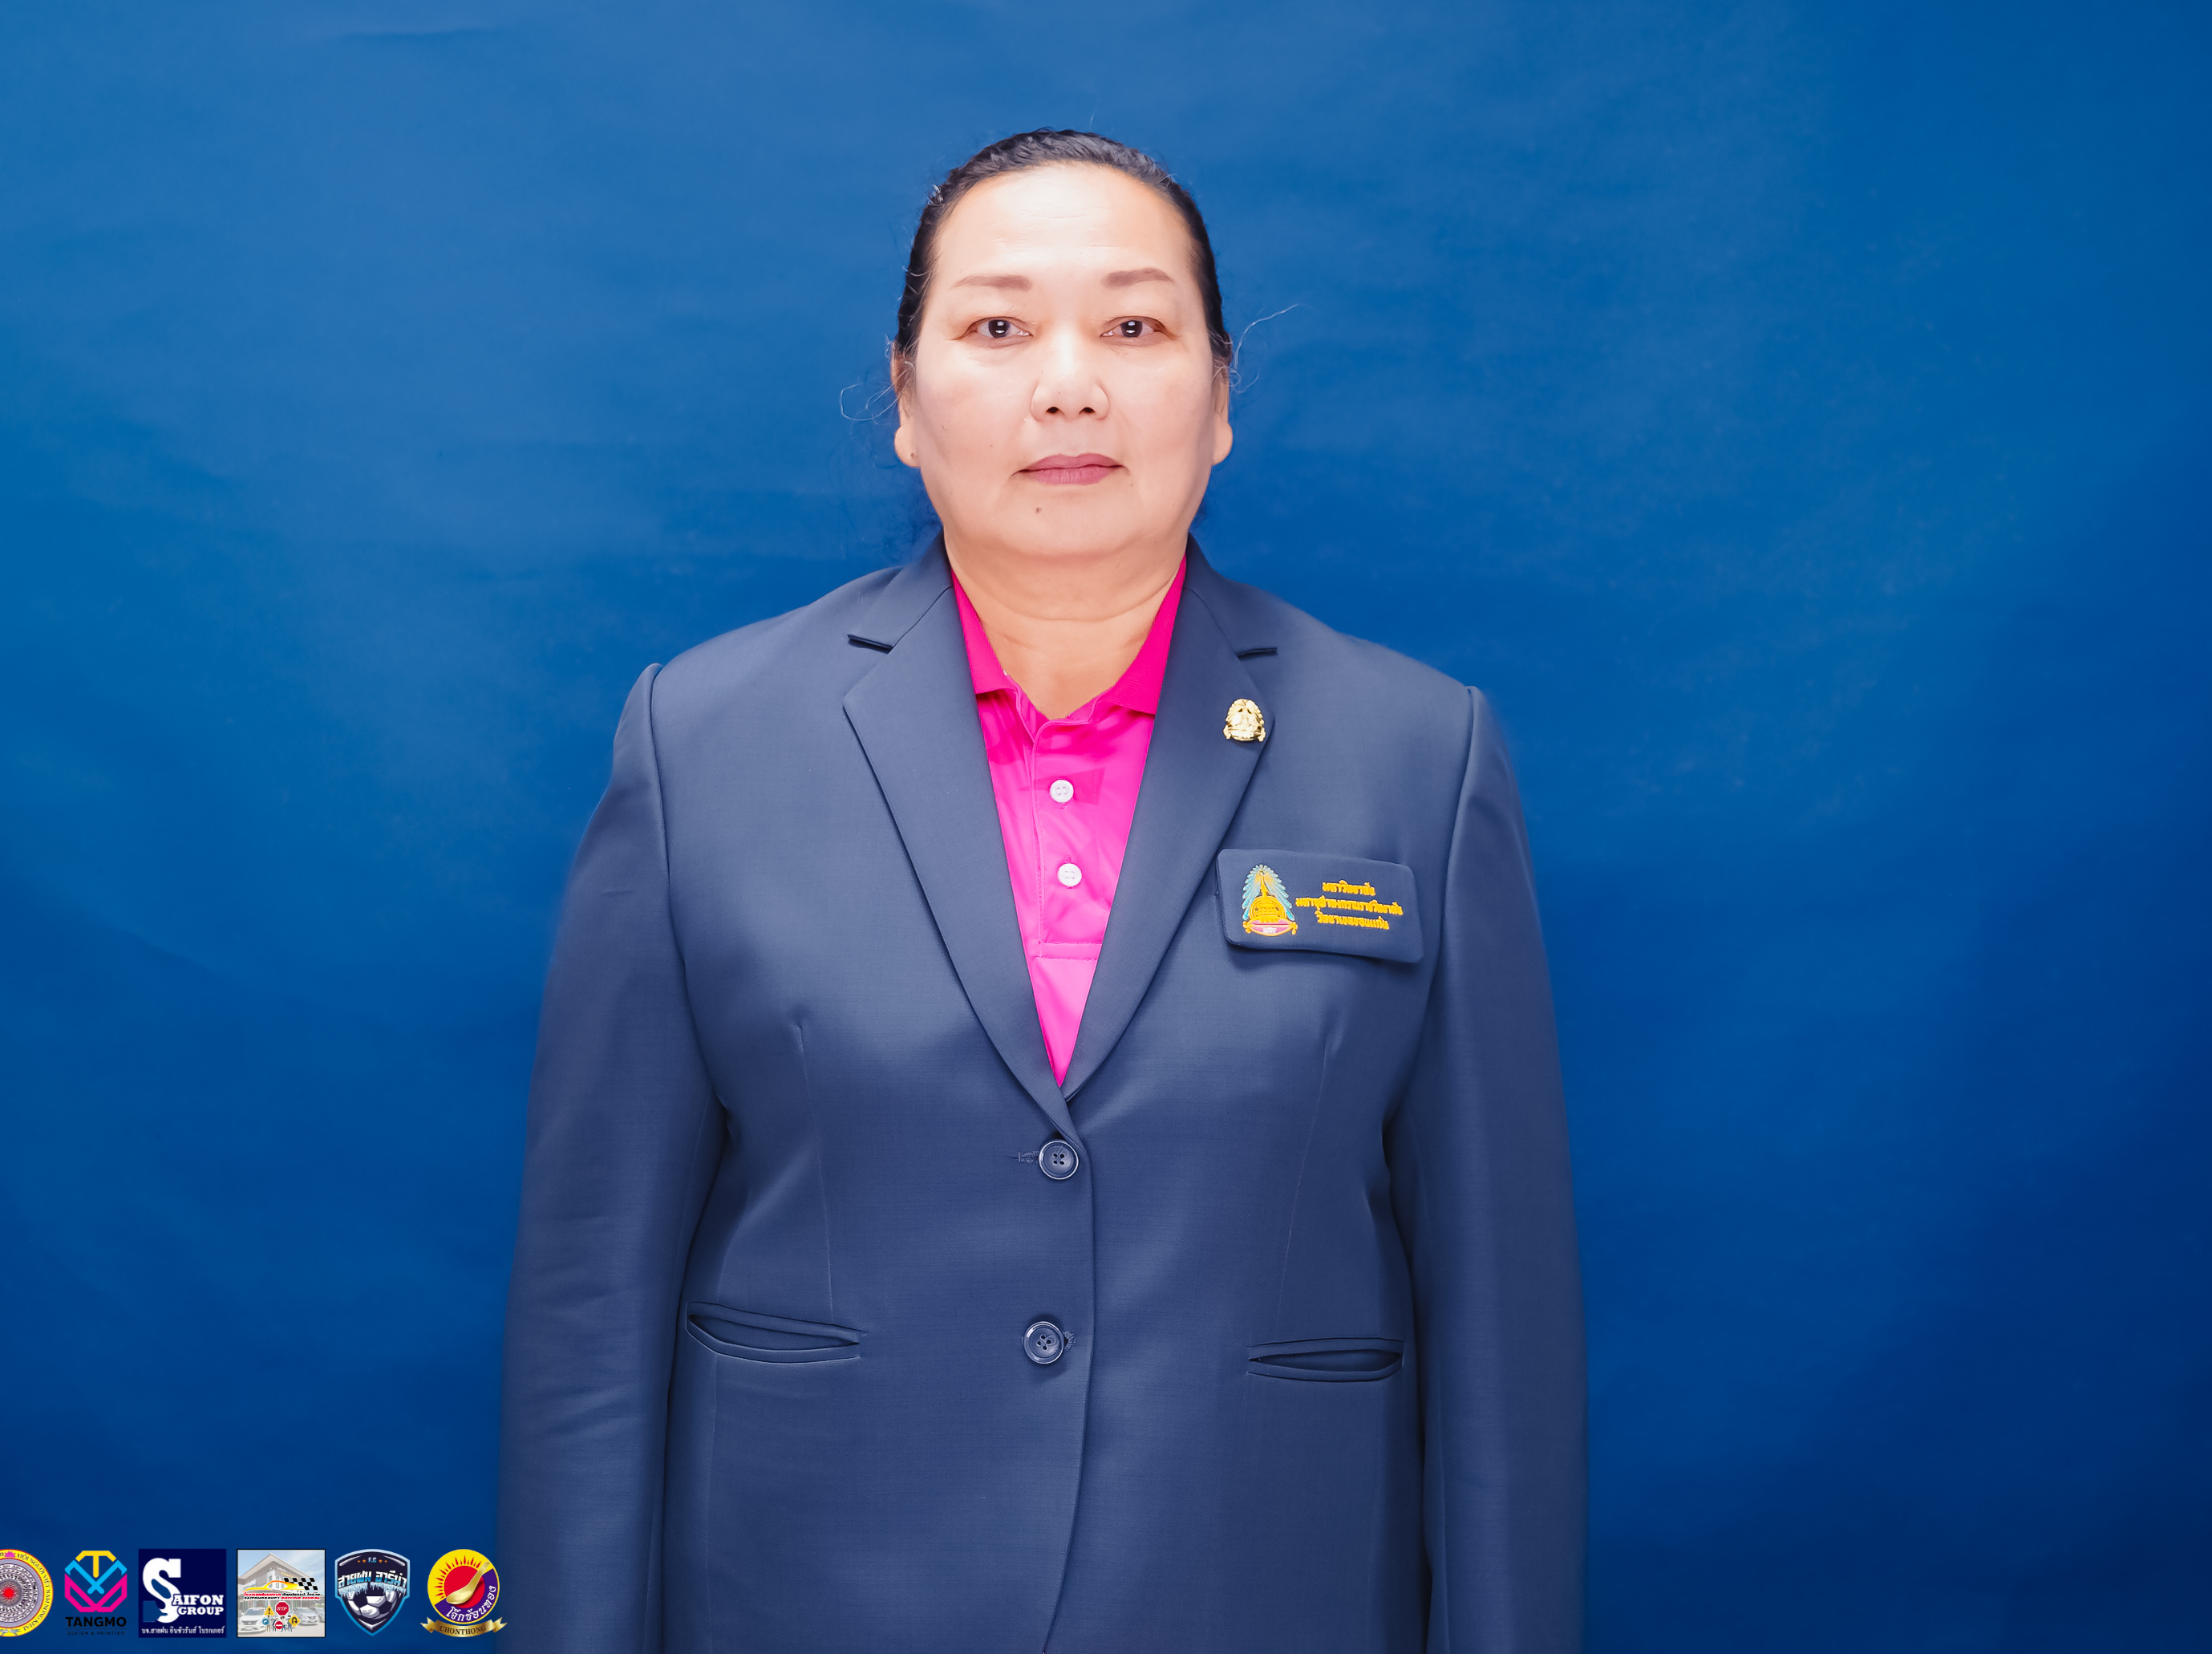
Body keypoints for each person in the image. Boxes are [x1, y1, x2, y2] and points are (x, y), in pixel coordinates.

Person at [499, 130, 1584, 1653]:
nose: (1068, 384)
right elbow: (588, 1318)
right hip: (807, 1599)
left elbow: (1502, 1335)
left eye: (1134, 326)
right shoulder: (703, 741)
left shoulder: (1419, 753)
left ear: (1221, 399)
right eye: (999, 327)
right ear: (904, 399)